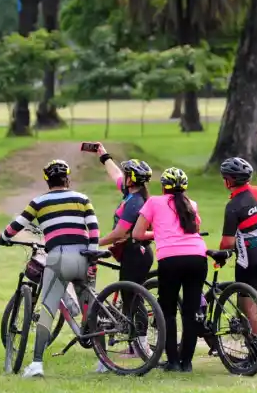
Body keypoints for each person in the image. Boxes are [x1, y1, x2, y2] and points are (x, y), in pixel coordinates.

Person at [0, 159, 100, 379]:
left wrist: (3, 237)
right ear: (67, 178)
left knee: (48, 310)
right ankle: (104, 361)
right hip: (84, 257)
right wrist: (93, 257)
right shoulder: (82, 199)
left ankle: (37, 364)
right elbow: (94, 227)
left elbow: (17, 225)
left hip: (58, 258)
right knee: (90, 308)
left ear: (47, 181)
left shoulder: (38, 202)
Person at [84, 143, 155, 368]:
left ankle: (142, 345)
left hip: (136, 253)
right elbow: (115, 173)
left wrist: (94, 242)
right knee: (129, 297)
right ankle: (137, 343)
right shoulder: (131, 193)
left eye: (126, 175)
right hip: (133, 253)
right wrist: (103, 155)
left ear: (131, 180)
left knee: (134, 298)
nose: (122, 176)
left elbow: (120, 232)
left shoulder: (135, 202)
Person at [132, 167, 207, 373]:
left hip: (171, 259)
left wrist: (157, 233)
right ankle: (187, 363)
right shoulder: (192, 204)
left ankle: (173, 362)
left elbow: (138, 233)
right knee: (190, 313)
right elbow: (195, 230)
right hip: (198, 257)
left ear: (164, 186)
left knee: (169, 312)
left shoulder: (154, 202)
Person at [218, 157, 257, 369]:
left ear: (229, 181)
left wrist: (221, 251)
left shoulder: (233, 206)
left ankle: (256, 354)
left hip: (249, 259)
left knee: (248, 305)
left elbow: (227, 242)